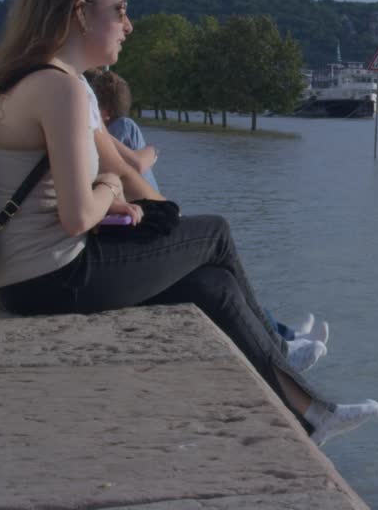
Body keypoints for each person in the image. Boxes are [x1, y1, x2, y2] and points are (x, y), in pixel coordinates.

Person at [0, 0, 378, 447]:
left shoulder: (29, 80)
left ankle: (311, 415)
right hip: (52, 278)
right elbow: (79, 214)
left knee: (212, 287)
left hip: (21, 279)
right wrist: (109, 188)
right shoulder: (62, 88)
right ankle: (283, 349)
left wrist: (121, 200)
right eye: (120, 9)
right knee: (214, 232)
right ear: (79, 13)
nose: (129, 24)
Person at [86, 67, 330, 370]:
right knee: (217, 256)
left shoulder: (90, 125)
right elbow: (135, 165)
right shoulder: (119, 126)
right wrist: (151, 150)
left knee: (221, 270)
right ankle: (282, 341)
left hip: (137, 219)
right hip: (146, 220)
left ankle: (284, 336)